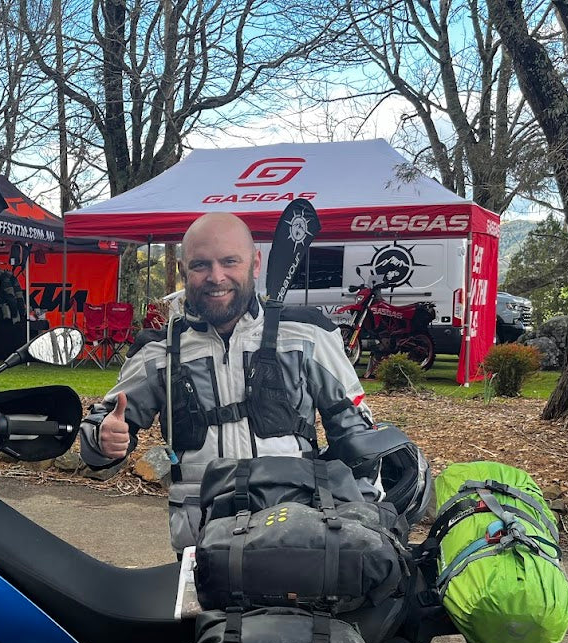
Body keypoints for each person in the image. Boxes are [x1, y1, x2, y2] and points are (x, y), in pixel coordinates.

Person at [79, 212, 388, 553]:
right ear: (183, 270)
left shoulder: (307, 334)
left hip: (299, 529)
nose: (216, 276)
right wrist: (103, 440)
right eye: (200, 265)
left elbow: (357, 435)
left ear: (255, 263)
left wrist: (364, 517)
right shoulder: (158, 350)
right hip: (202, 535)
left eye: (229, 261)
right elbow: (100, 433)